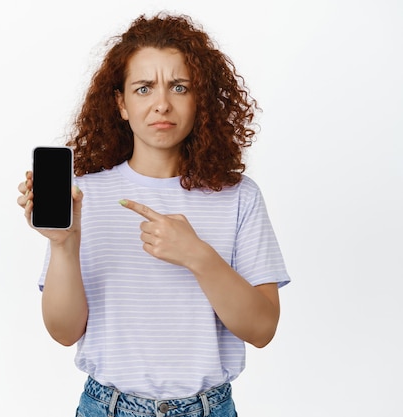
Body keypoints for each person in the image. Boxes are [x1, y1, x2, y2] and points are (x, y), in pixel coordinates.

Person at [17, 12, 290, 417]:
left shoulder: (238, 197)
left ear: (200, 100)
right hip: (106, 407)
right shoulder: (84, 196)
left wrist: (198, 256)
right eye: (143, 88)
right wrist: (64, 244)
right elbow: (64, 331)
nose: (162, 103)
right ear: (121, 103)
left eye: (179, 87)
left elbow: (262, 329)